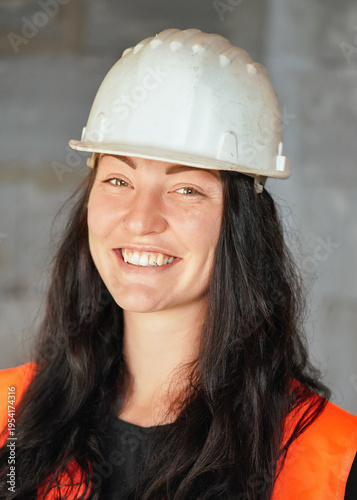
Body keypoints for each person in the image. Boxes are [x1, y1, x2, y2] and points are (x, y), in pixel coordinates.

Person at [0, 28, 356, 500]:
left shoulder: (334, 457)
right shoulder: (8, 412)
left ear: (241, 224)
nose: (141, 219)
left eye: (186, 189)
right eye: (119, 179)